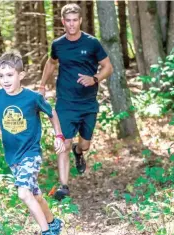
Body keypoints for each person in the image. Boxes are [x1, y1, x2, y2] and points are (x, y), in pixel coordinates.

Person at [0, 51, 66, 235]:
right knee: (35, 194)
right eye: (1, 76)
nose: (5, 80)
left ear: (21, 75)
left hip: (31, 153)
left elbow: (51, 113)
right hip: (13, 156)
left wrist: (59, 136)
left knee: (23, 193)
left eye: (10, 75)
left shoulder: (32, 98)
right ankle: (54, 222)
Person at [38, 3, 113, 201]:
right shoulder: (58, 44)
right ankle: (64, 186)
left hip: (88, 103)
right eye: (68, 21)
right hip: (65, 102)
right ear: (63, 22)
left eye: (75, 20)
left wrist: (94, 78)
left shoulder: (92, 43)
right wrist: (42, 85)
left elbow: (108, 67)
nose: (71, 24)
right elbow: (51, 63)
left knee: (85, 145)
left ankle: (79, 153)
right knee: (63, 141)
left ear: (80, 21)